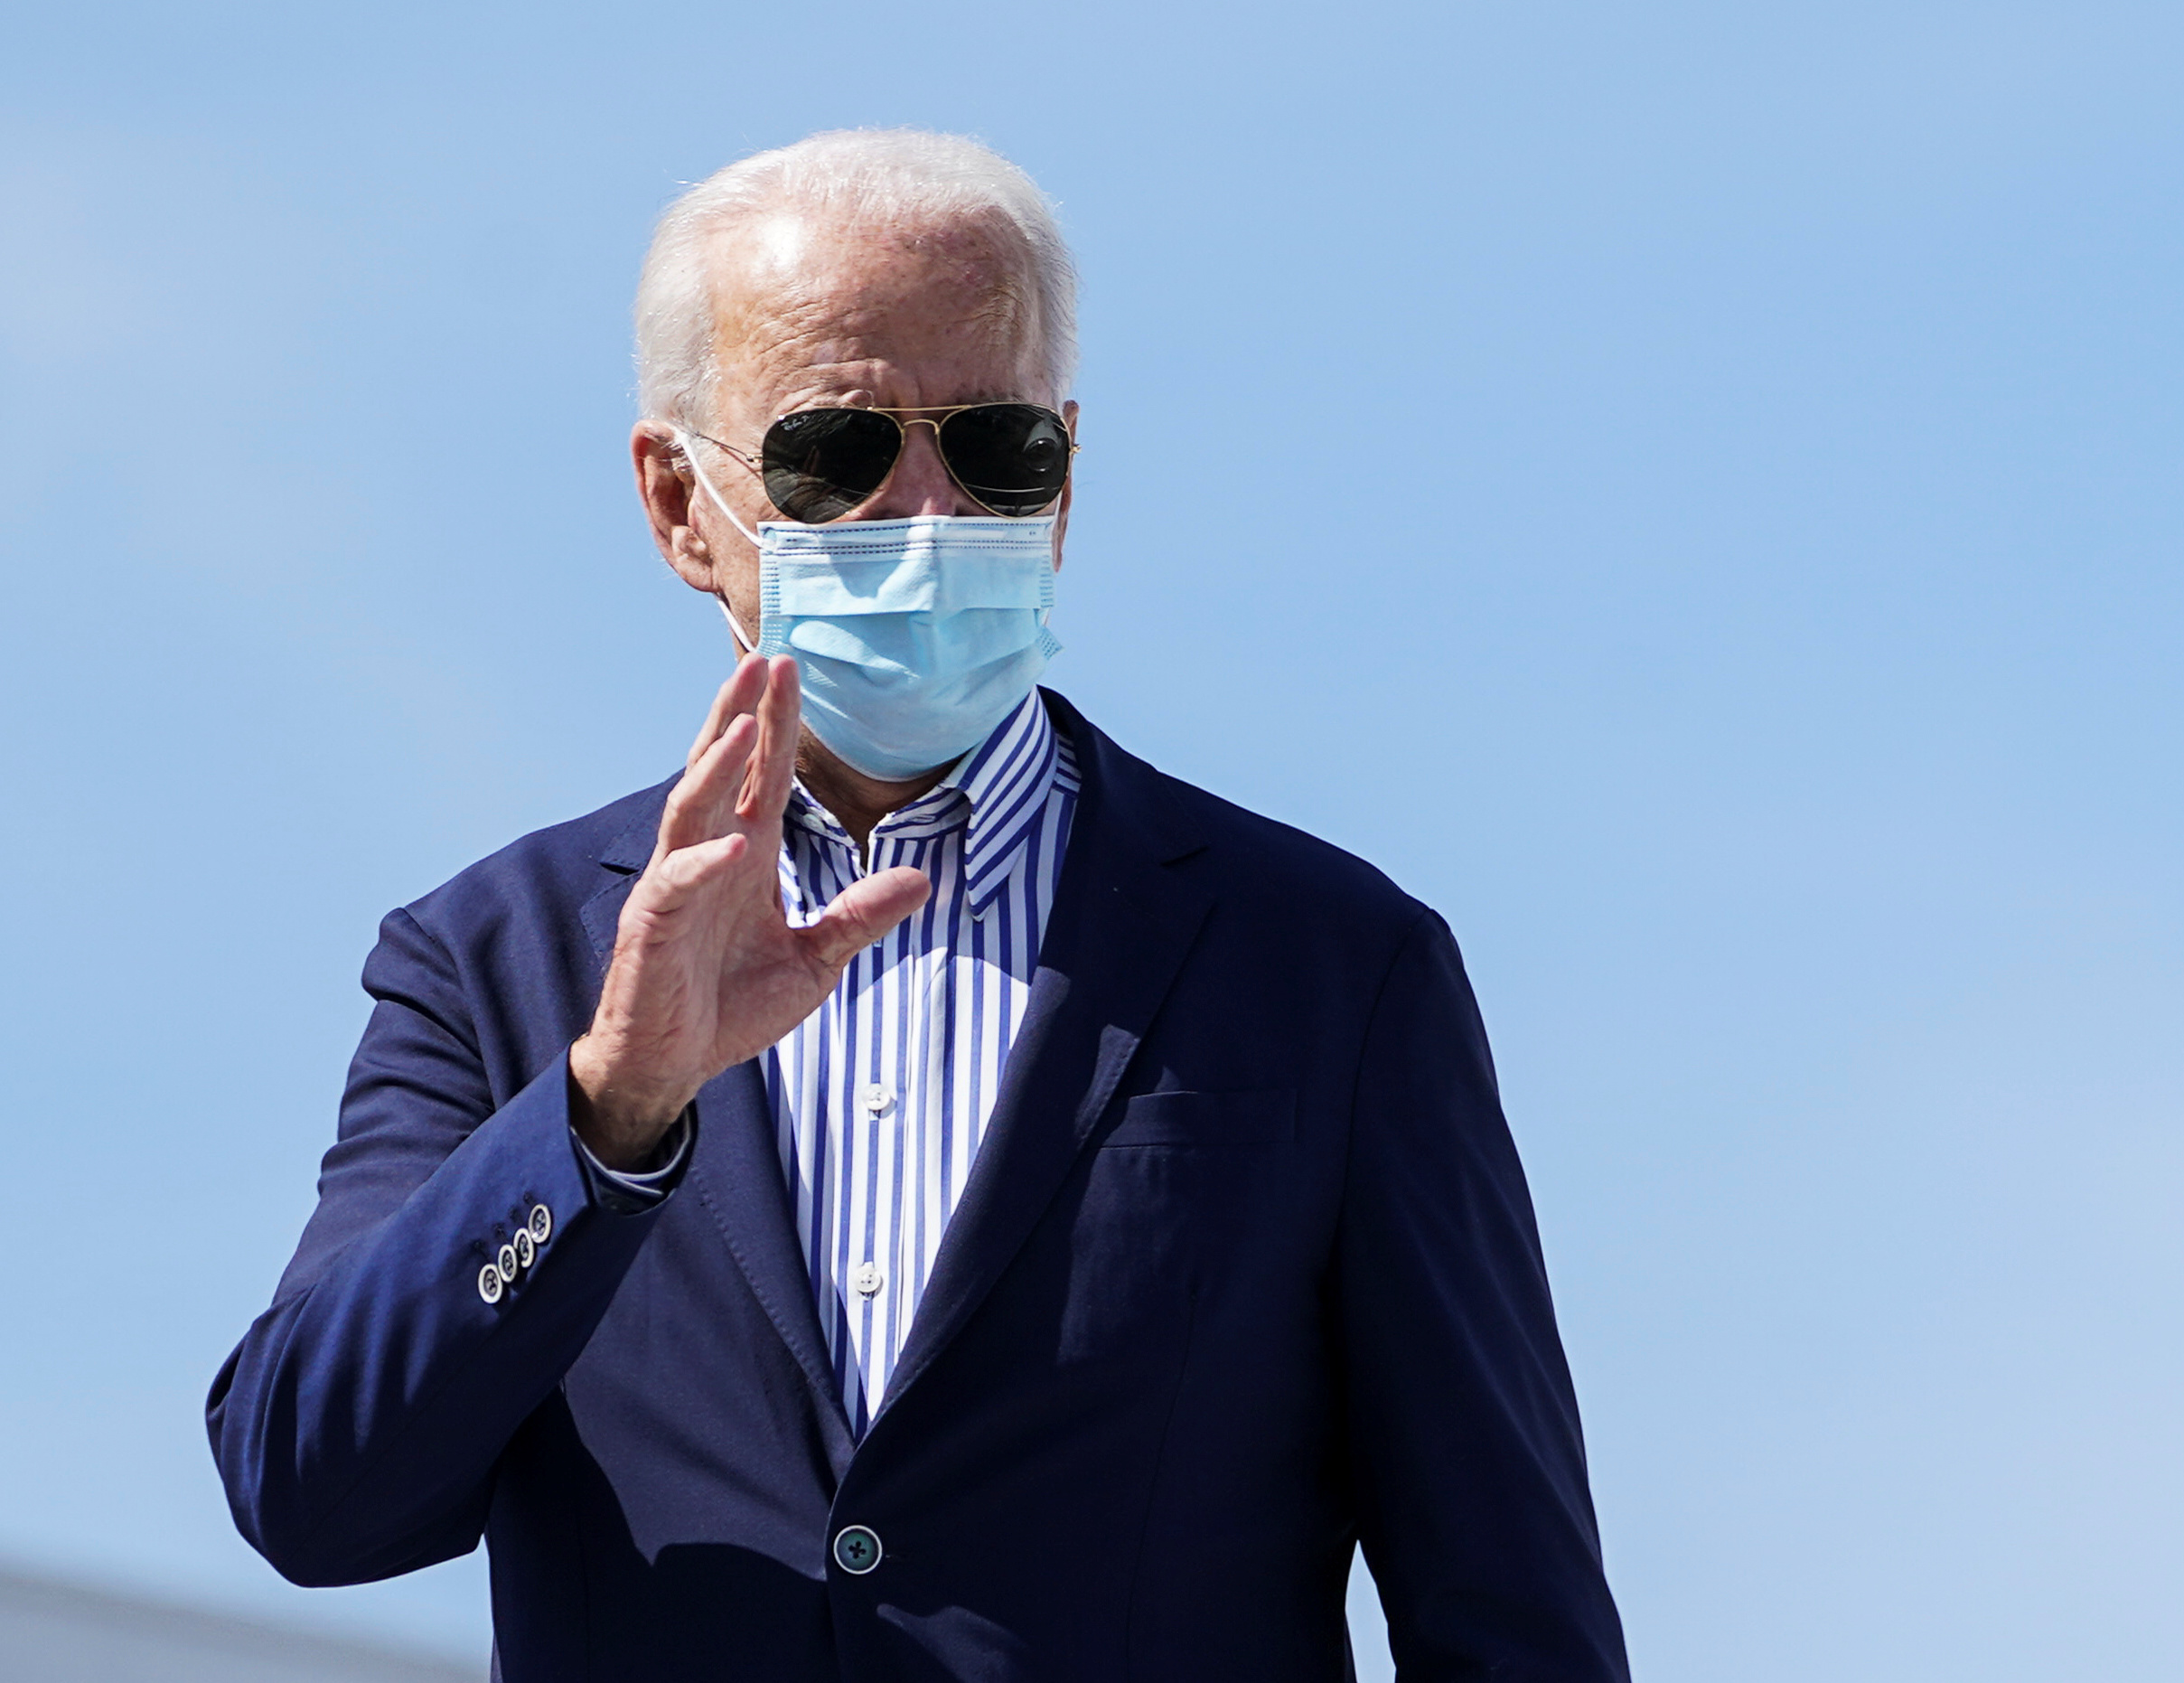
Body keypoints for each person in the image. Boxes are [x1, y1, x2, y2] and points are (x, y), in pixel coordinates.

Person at [206, 129, 1630, 1682]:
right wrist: (609, 1112)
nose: (932, 510)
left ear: (1064, 482)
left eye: (996, 446)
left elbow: (1509, 1607)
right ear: (680, 502)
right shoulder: (496, 961)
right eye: (839, 450)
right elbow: (311, 1493)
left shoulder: (1329, 967)